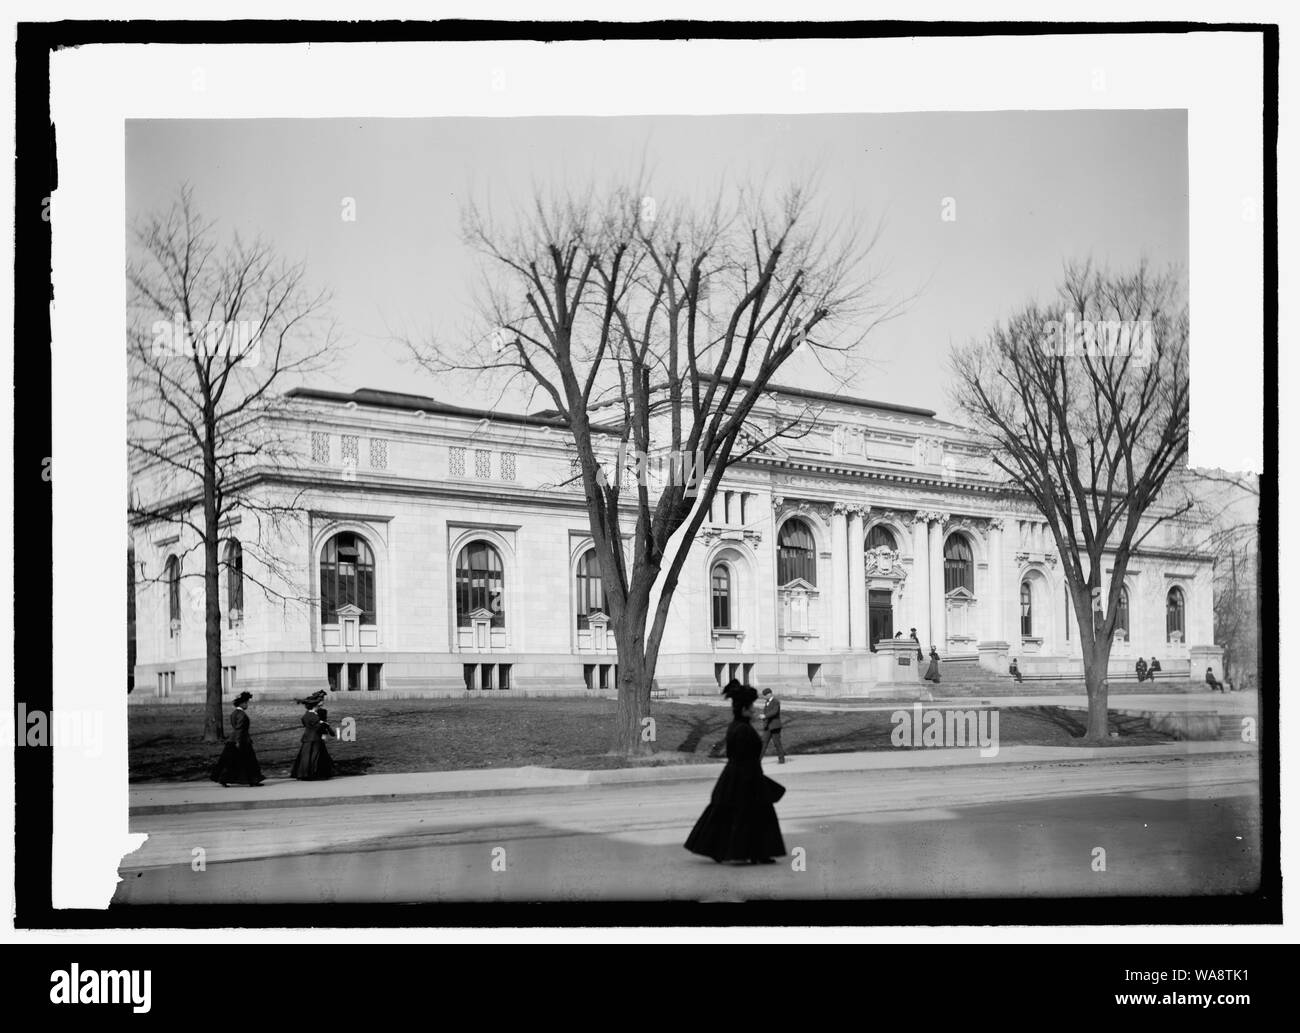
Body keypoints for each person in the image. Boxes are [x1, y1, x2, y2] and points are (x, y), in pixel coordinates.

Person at [684, 681, 786, 864]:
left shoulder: (737, 727)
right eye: (751, 708)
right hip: (745, 778)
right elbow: (742, 757)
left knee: (738, 814)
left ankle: (749, 852)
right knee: (748, 815)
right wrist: (753, 779)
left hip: (738, 777)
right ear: (744, 710)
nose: (754, 711)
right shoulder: (742, 730)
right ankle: (749, 852)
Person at [210, 691, 264, 787]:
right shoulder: (242, 715)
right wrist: (238, 742)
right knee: (249, 760)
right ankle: (253, 780)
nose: (247, 705)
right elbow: (239, 729)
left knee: (230, 761)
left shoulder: (234, 713)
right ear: (242, 703)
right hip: (242, 740)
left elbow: (235, 727)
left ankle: (224, 778)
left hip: (233, 739)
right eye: (246, 703)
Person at [290, 690, 336, 781]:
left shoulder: (307, 715)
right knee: (313, 756)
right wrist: (323, 724)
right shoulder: (313, 716)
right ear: (315, 705)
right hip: (314, 738)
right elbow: (317, 726)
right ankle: (310, 774)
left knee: (307, 756)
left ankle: (304, 773)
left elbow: (306, 723)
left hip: (308, 737)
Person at [759, 687, 785, 763]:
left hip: (775, 726)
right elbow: (767, 712)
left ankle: (781, 759)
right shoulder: (767, 702)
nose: (764, 697)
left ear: (769, 694)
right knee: (764, 743)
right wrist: (763, 717)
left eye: (765, 695)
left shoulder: (776, 702)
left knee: (777, 743)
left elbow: (774, 712)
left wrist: (765, 716)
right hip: (768, 727)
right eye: (764, 695)